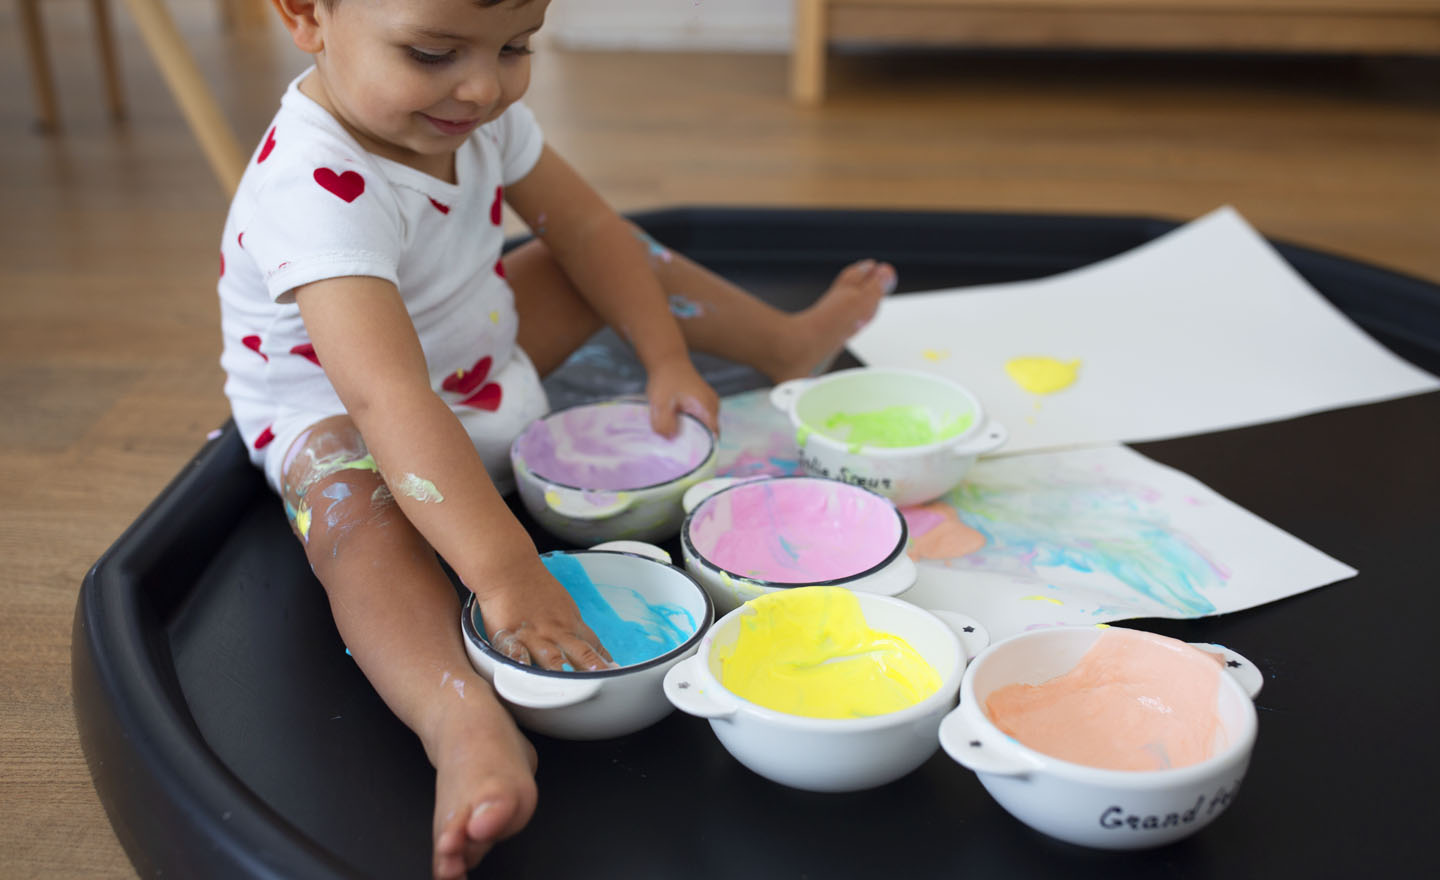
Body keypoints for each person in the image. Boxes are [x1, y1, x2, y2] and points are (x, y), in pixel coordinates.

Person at [217, 1, 897, 876]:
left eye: (516, 47)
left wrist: (663, 358)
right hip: (343, 413)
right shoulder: (311, 186)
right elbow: (385, 397)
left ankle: (781, 341)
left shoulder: (472, 110)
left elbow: (589, 230)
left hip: (476, 356)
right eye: (432, 52)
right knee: (354, 520)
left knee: (605, 257)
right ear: (308, 15)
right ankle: (461, 718)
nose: (480, 85)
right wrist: (507, 574)